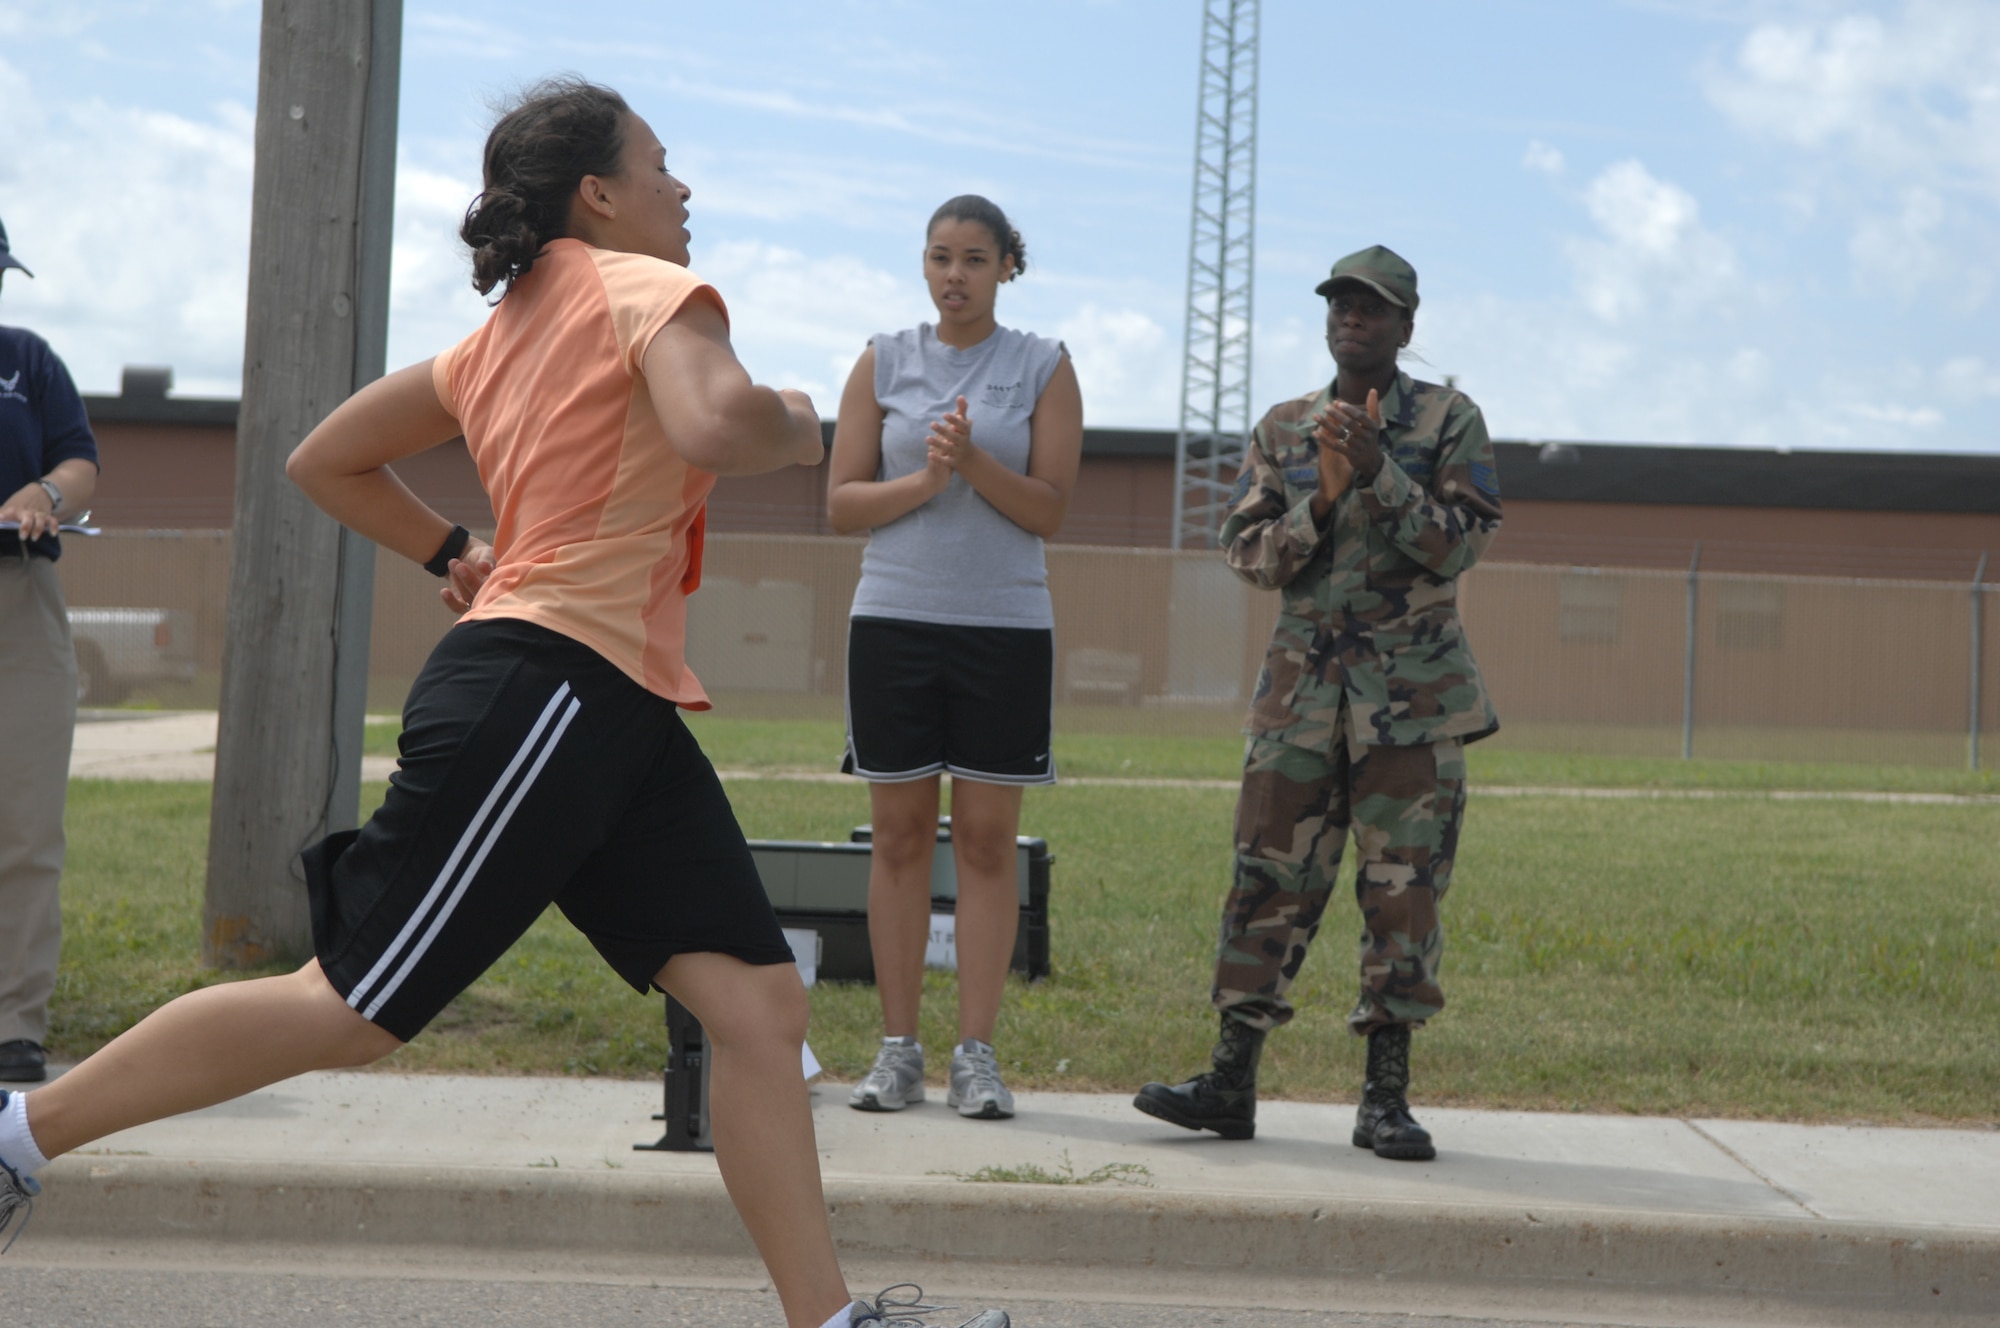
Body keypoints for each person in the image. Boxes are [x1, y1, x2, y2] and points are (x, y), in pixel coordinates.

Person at [0, 79, 1006, 1328]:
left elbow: (329, 456)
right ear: (597, 193)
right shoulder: (648, 292)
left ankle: (830, 1320)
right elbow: (713, 419)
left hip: (612, 705)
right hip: (547, 689)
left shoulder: (497, 334)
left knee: (757, 1005)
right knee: (351, 1005)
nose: (681, 189)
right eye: (658, 165)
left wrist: (448, 551)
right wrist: (800, 421)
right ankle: (17, 1135)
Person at [1132, 245, 1501, 1162]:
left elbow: (1456, 547)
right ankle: (1229, 1081)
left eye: (1372, 308)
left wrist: (1379, 473)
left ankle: (1385, 1099)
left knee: (1403, 898)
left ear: (1407, 327)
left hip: (1410, 709)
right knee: (1264, 883)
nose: (1352, 318)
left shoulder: (1452, 421)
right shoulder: (1285, 427)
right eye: (1340, 303)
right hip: (1299, 703)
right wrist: (1323, 501)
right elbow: (1249, 556)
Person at [826, 196, 1082, 1120]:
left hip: (1004, 630)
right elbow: (842, 503)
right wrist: (927, 480)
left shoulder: (1042, 367)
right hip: (893, 622)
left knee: (982, 842)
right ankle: (898, 1052)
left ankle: (977, 1055)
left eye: (976, 258)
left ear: (1008, 266)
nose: (955, 275)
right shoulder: (883, 359)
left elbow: (1049, 510)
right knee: (896, 838)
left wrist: (973, 465)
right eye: (940, 257)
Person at [0, 216, 99, 1087]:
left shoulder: (26, 360)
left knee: (26, 822)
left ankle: (13, 1021)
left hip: (19, 598)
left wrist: (46, 491)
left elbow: (79, 460)